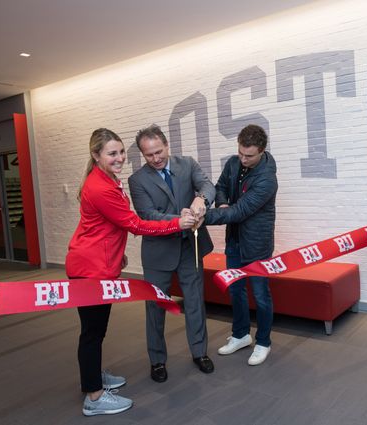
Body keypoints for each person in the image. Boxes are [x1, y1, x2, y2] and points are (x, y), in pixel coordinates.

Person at [65, 128, 197, 416]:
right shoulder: (100, 187)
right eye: (112, 153)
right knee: (92, 332)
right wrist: (177, 224)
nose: (120, 158)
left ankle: (94, 378)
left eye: (121, 151)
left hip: (100, 263)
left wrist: (116, 253)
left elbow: (103, 226)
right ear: (96, 155)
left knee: (96, 330)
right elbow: (135, 224)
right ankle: (94, 397)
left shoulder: (106, 179)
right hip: (90, 270)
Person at [128, 124, 216, 383]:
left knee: (195, 302)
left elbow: (208, 185)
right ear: (143, 155)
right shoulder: (137, 180)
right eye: (148, 155)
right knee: (155, 307)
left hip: (190, 247)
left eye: (158, 152)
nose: (155, 159)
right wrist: (181, 218)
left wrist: (201, 200)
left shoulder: (187, 164)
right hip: (158, 253)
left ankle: (200, 353)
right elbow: (148, 216)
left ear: (167, 145)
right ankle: (157, 360)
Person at [204, 124, 278, 366]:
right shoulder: (234, 163)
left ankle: (263, 342)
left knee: (260, 295)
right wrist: (222, 203)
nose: (243, 159)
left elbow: (242, 210)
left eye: (249, 155)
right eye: (240, 153)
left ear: (262, 151)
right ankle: (241, 335)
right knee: (235, 290)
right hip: (234, 240)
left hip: (257, 245)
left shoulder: (267, 179)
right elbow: (221, 186)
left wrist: (202, 217)